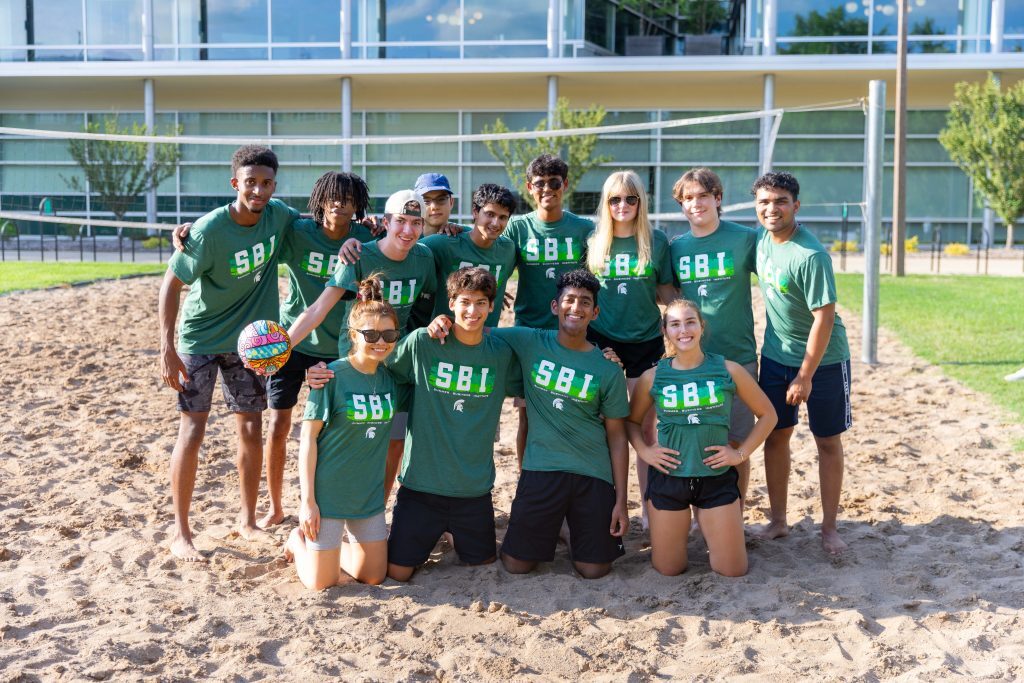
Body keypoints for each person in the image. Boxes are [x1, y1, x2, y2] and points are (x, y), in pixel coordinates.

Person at [158, 145, 298, 561]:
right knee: (193, 430)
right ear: (235, 183)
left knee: (251, 429)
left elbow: (321, 225)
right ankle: (181, 533)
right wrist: (166, 346)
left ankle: (247, 520)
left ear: (274, 185)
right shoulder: (206, 230)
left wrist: (367, 223)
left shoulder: (279, 216)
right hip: (199, 340)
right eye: (250, 182)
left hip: (248, 342)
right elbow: (170, 284)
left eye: (266, 182)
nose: (258, 189)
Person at [443, 269, 629, 579]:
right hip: (542, 468)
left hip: (591, 471)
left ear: (594, 312)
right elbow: (477, 331)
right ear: (555, 307)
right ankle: (557, 524)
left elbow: (618, 436)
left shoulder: (606, 368)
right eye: (569, 300)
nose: (576, 308)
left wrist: (621, 500)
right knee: (517, 564)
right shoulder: (530, 341)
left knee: (594, 569)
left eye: (585, 303)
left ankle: (568, 528)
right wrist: (443, 323)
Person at [287, 189, 437, 501]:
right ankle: (323, 505)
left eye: (416, 222)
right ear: (385, 222)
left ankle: (376, 510)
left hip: (398, 363)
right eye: (400, 221)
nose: (408, 230)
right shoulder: (359, 256)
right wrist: (283, 347)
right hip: (357, 360)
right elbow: (318, 308)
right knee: (349, 439)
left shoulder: (424, 259)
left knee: (394, 441)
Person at [625, 299, 776, 577]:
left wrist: (740, 454)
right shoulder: (653, 376)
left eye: (690, 321)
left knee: (733, 570)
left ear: (702, 326)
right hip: (670, 478)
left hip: (715, 478)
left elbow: (768, 415)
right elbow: (632, 423)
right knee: (670, 569)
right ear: (666, 331)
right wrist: (646, 452)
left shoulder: (728, 370)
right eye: (675, 324)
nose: (684, 330)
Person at [385, 268, 519, 581]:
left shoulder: (500, 354)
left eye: (481, 303)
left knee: (482, 566)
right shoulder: (424, 342)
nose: (472, 311)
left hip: (473, 491)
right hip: (421, 487)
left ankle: (451, 533)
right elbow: (382, 369)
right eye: (465, 302)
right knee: (397, 573)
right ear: (451, 303)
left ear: (491, 306)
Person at [258, 171, 374, 529]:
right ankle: (276, 506)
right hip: (293, 340)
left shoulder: (365, 236)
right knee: (279, 424)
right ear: (320, 200)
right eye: (333, 197)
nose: (340, 203)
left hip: (340, 348)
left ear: (358, 206)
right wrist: (187, 229)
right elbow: (251, 222)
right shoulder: (297, 232)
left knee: (332, 430)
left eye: (349, 198)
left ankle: (332, 502)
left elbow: (409, 236)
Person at [753, 171, 852, 555]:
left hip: (823, 363)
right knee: (776, 436)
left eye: (780, 201)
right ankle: (778, 521)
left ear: (796, 205)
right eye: (764, 201)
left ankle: (829, 528)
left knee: (827, 441)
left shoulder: (810, 255)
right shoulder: (762, 241)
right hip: (775, 357)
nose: (771, 208)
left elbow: (824, 318)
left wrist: (805, 375)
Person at [284, 277, 402, 589]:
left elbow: (398, 435)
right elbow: (308, 439)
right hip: (328, 496)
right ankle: (297, 542)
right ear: (353, 335)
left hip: (367, 497)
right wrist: (307, 501)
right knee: (322, 583)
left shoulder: (391, 380)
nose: (381, 340)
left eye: (389, 333)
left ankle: (334, 551)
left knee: (374, 576)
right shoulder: (330, 376)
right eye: (371, 334)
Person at [585, 170, 676, 526]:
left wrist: (690, 311)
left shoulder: (656, 241)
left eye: (630, 199)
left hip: (645, 341)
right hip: (603, 341)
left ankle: (650, 510)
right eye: (615, 199)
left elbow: (666, 291)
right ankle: (604, 505)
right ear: (606, 203)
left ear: (641, 202)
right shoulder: (592, 241)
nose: (623, 206)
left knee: (644, 429)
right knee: (605, 425)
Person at [669, 167, 759, 505]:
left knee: (737, 442)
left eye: (703, 196)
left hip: (737, 354)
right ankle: (697, 513)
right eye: (688, 198)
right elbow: (668, 295)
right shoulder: (676, 248)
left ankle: (735, 508)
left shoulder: (744, 239)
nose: (696, 203)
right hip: (692, 360)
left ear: (717, 198)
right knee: (695, 439)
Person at [504, 154, 594, 466]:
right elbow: (485, 247)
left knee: (572, 409)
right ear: (529, 187)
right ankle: (526, 478)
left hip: (571, 332)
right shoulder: (517, 228)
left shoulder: (583, 229)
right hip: (530, 332)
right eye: (539, 184)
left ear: (564, 185)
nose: (547, 189)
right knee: (528, 415)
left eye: (554, 183)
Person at [421, 184, 518, 328]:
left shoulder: (508, 250)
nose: (495, 223)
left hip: (486, 341)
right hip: (445, 338)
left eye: (503, 217)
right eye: (490, 214)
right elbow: (407, 249)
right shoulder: (444, 244)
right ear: (475, 211)